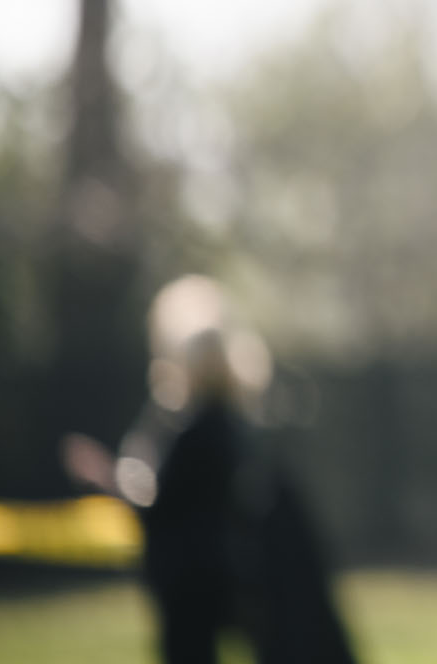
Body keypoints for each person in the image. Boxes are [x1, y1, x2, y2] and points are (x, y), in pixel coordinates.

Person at [62, 275, 359, 664]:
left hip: (189, 580)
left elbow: (155, 500)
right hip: (223, 575)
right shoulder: (236, 425)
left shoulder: (193, 430)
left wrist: (103, 475)